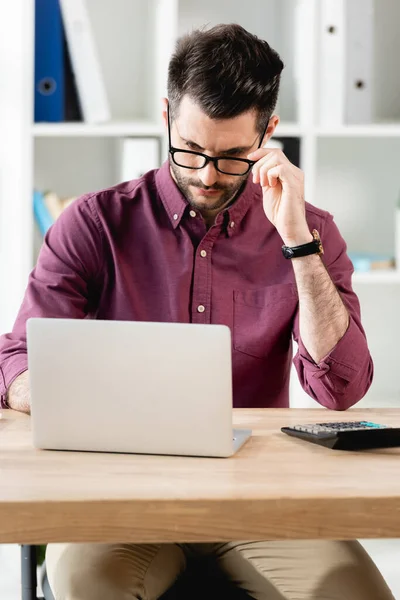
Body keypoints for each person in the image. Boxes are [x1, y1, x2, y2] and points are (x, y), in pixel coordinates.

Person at [0, 23, 394, 600]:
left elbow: (341, 390)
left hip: (260, 500)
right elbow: (15, 360)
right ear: (167, 115)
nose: (207, 175)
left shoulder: (312, 231)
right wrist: (70, 399)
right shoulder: (93, 224)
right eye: (191, 149)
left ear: (269, 135)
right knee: (89, 586)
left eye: (234, 156)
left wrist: (297, 244)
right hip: (119, 497)